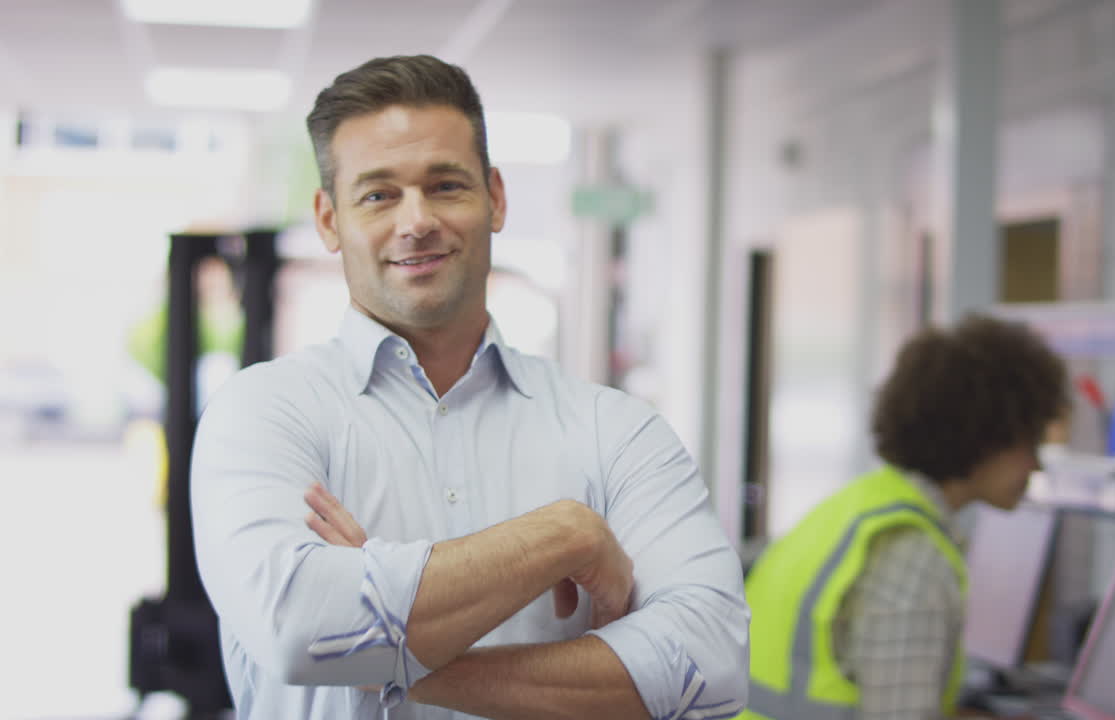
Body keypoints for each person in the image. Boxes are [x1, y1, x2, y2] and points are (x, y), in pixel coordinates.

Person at [191, 55, 748, 720]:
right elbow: (296, 628)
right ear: (328, 219)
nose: (416, 220)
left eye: (445, 185)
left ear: (497, 198)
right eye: (378, 194)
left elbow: (710, 667)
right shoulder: (261, 414)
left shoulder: (616, 431)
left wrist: (386, 646)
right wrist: (560, 535)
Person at [738, 314, 1068, 720]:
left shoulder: (858, 506)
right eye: (1029, 442)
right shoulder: (914, 558)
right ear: (984, 436)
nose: (1036, 466)